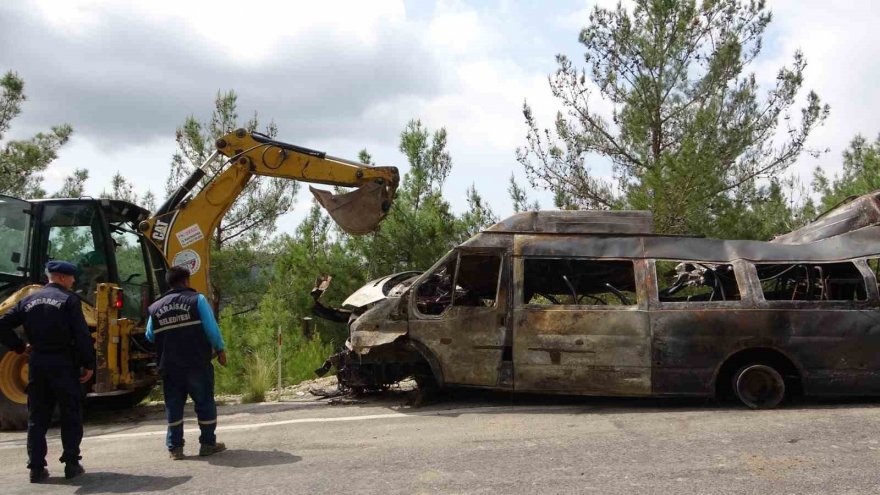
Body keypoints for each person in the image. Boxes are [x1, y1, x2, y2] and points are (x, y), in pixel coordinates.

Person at [0, 261, 95, 483]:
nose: (73, 281)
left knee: (37, 417)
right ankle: (71, 464)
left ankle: (36, 468)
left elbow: (2, 324)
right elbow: (81, 335)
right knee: (71, 414)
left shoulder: (27, 300)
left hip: (38, 364)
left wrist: (19, 347)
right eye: (71, 277)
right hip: (64, 364)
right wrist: (88, 363)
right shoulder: (69, 300)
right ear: (62, 277)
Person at [146, 266, 227, 460]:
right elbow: (211, 329)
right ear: (186, 281)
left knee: (174, 406)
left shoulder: (155, 307)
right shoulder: (196, 300)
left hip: (170, 366)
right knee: (204, 402)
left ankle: (175, 448)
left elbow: (149, 336)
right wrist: (221, 349)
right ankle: (207, 444)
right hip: (196, 362)